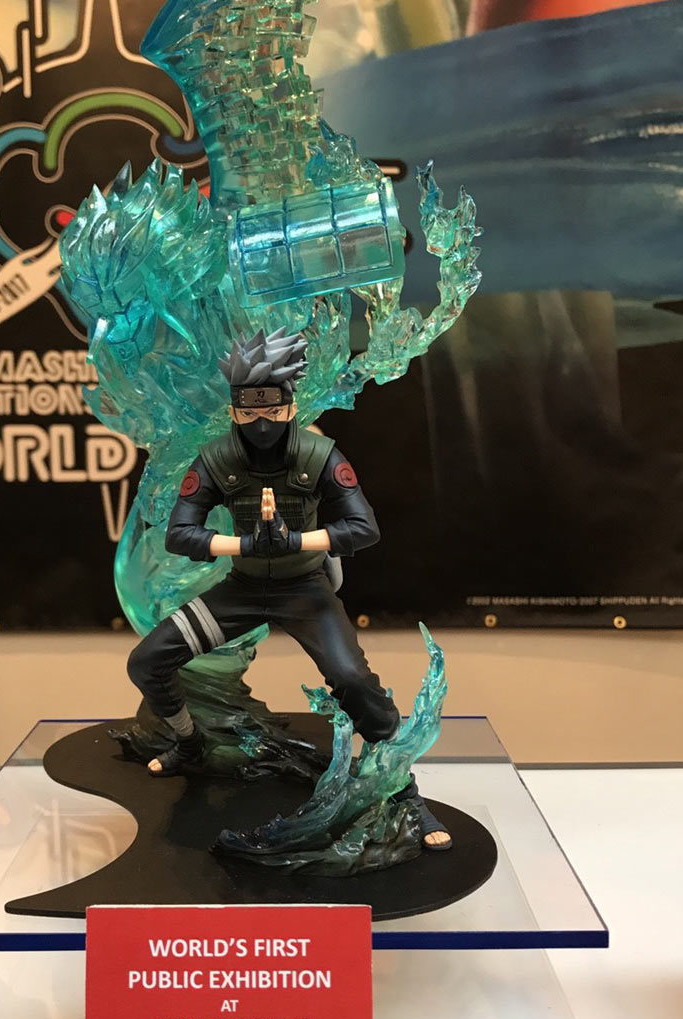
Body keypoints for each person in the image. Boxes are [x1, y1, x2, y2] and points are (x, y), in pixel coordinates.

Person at [127, 326, 450, 849]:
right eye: (249, 409)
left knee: (354, 681)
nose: (261, 422)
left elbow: (364, 528)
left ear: (291, 406)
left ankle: (404, 792)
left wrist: (298, 539)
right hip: (243, 588)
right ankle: (190, 744)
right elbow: (179, 534)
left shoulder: (320, 456)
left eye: (272, 408)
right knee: (148, 661)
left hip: (305, 591)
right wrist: (244, 545)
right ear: (233, 410)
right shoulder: (216, 459)